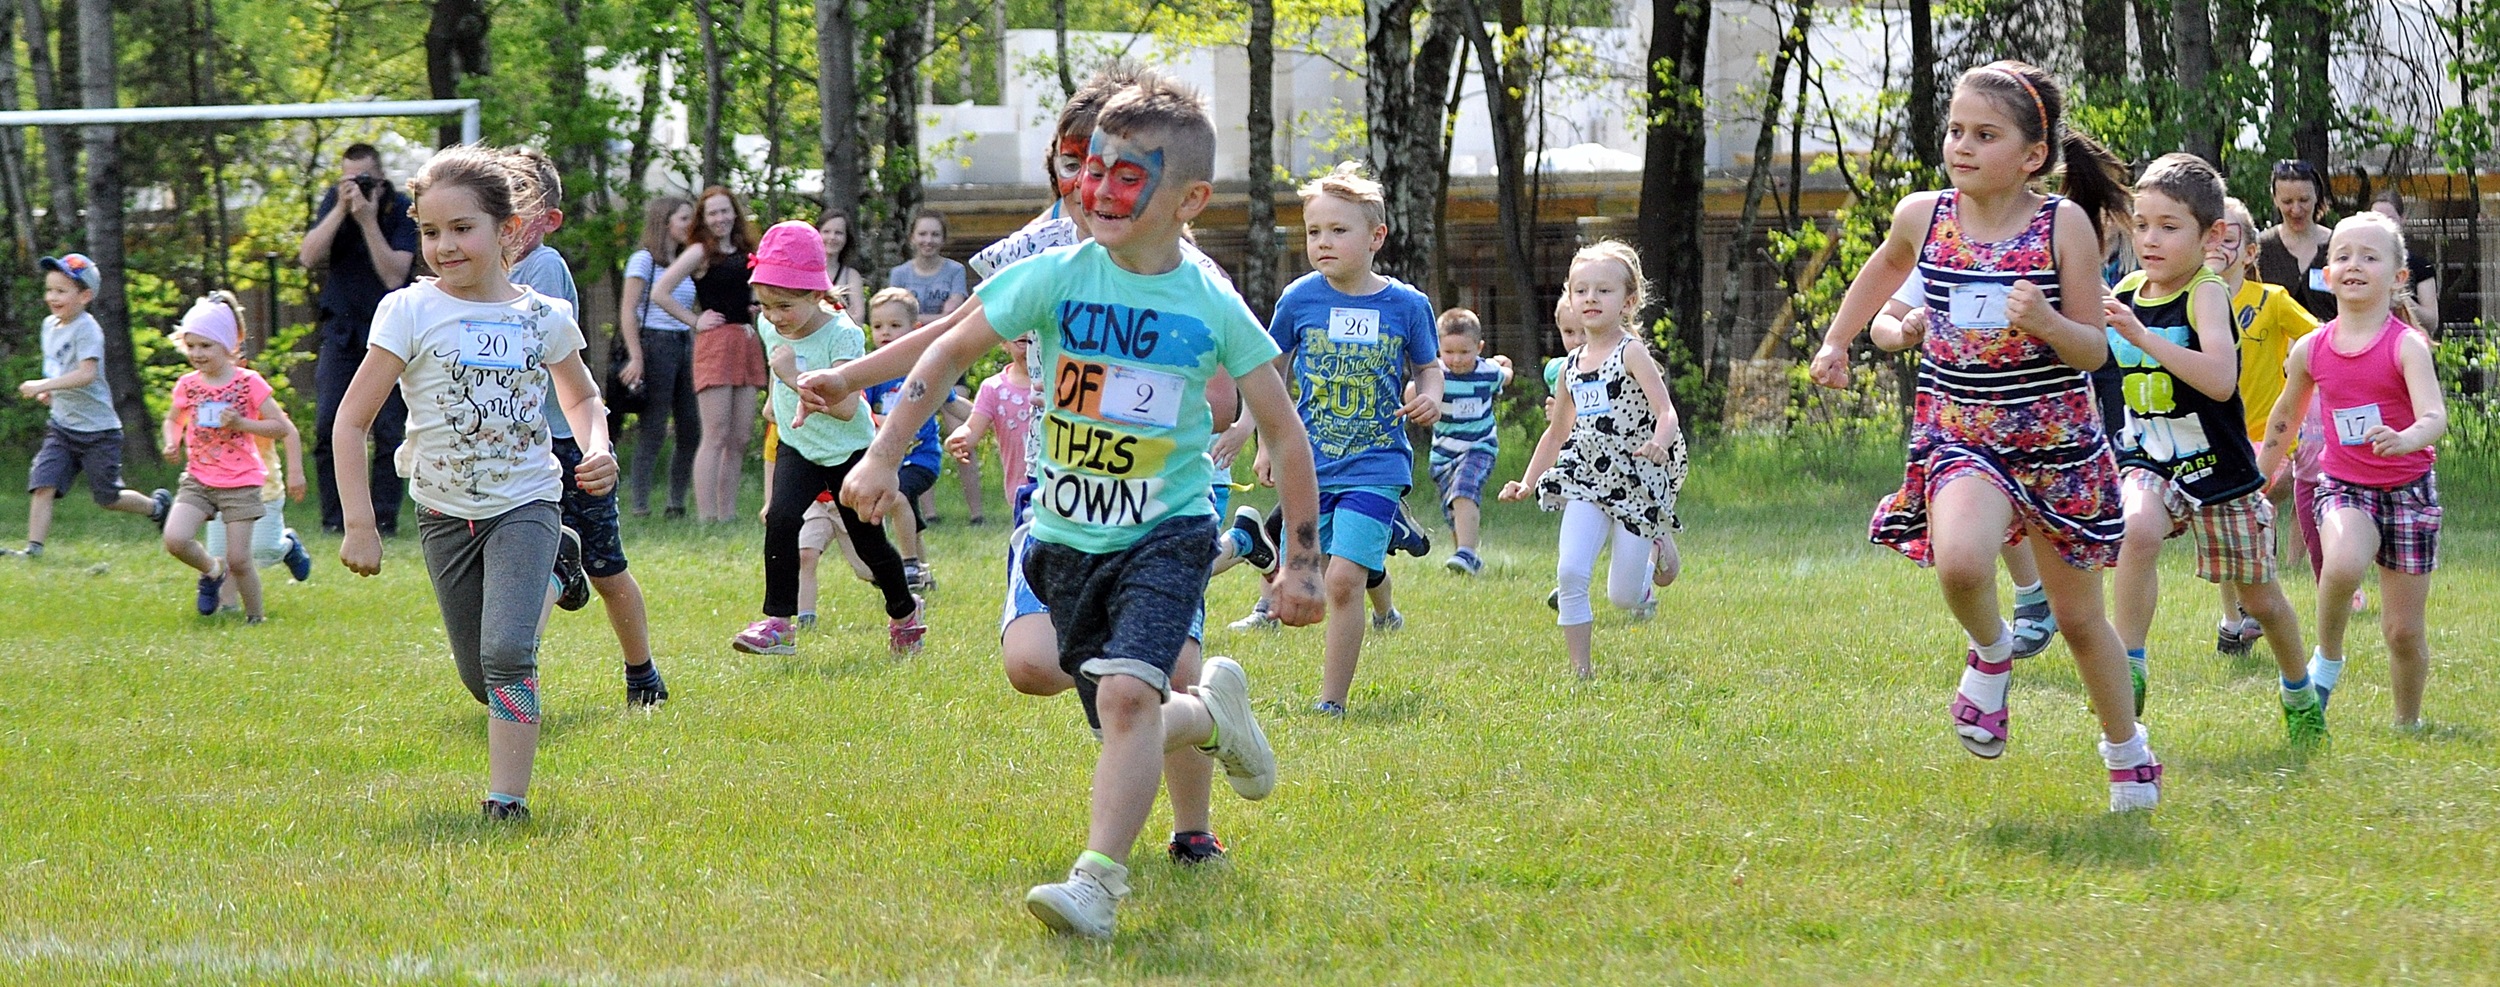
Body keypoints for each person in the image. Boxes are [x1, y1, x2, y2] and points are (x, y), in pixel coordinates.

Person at [833, 73, 1324, 939]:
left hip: (1167, 534)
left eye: (1128, 175)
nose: (1098, 189)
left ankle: (1097, 881)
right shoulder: (1051, 275)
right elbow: (948, 351)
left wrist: (1305, 562)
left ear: (1189, 200)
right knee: (1104, 699)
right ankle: (1213, 714)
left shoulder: (1209, 302)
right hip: (1062, 533)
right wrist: (881, 447)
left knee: (1130, 699)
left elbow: (1283, 433)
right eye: (1091, 168)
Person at [1808, 61, 2162, 812]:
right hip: (1960, 436)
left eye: (1984, 135)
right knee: (1963, 563)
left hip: (2055, 445)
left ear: (2032, 154)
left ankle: (2127, 752)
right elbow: (1885, 267)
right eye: (1955, 131)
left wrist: (2047, 323)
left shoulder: (2061, 223)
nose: (1961, 146)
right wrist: (1839, 340)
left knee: (2077, 618)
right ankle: (1993, 652)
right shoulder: (1923, 214)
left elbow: (2094, 351)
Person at [334, 145, 614, 822]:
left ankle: (506, 802)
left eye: (462, 228)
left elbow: (581, 397)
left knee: (508, 653)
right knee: (479, 677)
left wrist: (597, 445)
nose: (444, 245)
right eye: (430, 232)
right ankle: (557, 575)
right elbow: (351, 421)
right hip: (442, 511)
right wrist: (361, 524)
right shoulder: (407, 311)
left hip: (527, 500)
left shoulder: (541, 315)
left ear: (506, 229)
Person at [2101, 153, 2317, 744]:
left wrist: (2141, 336)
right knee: (2136, 531)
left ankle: (2299, 693)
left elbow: (2220, 379)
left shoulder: (2206, 295)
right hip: (2151, 458)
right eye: (2141, 224)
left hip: (2219, 470)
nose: (2150, 238)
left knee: (2262, 600)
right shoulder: (2123, 292)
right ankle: (2131, 665)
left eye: (2169, 227)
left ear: (2212, 235)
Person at [1258, 162, 1443, 714]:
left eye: (1339, 231)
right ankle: (1386, 546)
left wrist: (1431, 393)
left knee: (1341, 580)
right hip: (1310, 466)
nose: (1323, 243)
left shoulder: (1406, 306)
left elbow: (1428, 366)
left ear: (1376, 237)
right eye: (1314, 232)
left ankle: (1331, 702)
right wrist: (1267, 443)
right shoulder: (1298, 300)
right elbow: (1271, 376)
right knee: (1314, 572)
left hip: (1377, 464)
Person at [2257, 212, 2448, 729]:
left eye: (2369, 256)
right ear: (2327, 272)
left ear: (2398, 277)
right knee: (2341, 565)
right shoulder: (2312, 348)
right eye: (2342, 255)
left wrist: (2406, 438)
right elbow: (2285, 417)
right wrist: (2260, 478)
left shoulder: (2405, 344)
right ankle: (2327, 658)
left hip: (2409, 492)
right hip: (2345, 488)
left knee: (2402, 633)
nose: (2354, 265)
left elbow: (2435, 416)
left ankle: (2407, 723)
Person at [508, 149, 669, 707]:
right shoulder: (483, 275)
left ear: (547, 219)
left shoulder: (544, 268)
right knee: (536, 568)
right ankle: (514, 685)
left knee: (608, 568)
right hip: (519, 450)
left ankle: (642, 672)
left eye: (518, 203)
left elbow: (537, 351)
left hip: (567, 444)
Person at [730, 221, 924, 658]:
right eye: (765, 305)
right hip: (799, 446)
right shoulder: (769, 326)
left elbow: (845, 407)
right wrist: (776, 401)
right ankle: (778, 622)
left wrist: (791, 378)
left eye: (784, 306)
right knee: (781, 520)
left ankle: (905, 612)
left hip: (848, 452)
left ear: (816, 295)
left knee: (867, 543)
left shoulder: (843, 334)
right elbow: (782, 377)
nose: (775, 317)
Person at [1500, 241, 1684, 679]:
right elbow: (1557, 431)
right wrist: (1528, 482)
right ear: (1569, 296)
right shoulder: (1570, 365)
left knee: (1623, 596)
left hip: (1637, 478)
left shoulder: (1632, 353)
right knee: (1570, 572)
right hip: (1586, 476)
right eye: (1581, 290)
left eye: (1603, 291)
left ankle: (1656, 543)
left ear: (1629, 300)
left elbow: (1667, 412)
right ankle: (1581, 673)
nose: (1591, 299)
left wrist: (1659, 442)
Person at [1868, 275, 2061, 660]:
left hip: (2038, 415)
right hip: (1961, 422)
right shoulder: (1941, 250)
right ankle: (2019, 612)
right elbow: (1881, 325)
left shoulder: (2043, 243)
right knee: (1978, 515)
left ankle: (2044, 597)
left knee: (2031, 516)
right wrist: (1904, 331)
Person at [2208, 196, 2324, 648]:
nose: (2218, 247)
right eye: (2211, 237)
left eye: (2229, 237)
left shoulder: (2272, 300)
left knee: (2251, 507)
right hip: (2217, 434)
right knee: (2223, 525)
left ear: (2251, 251)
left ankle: (2254, 608)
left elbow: (2318, 339)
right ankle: (2233, 618)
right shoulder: (2193, 300)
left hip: (2268, 436)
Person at [13, 252, 170, 557]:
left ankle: (156, 506)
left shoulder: (88, 329)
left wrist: (43, 386)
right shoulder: (49, 325)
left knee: (108, 497)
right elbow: (59, 367)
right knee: (43, 484)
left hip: (98, 432)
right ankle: (33, 550)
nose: (52, 297)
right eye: (49, 289)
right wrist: (52, 392)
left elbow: (86, 374)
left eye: (61, 291)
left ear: (84, 296)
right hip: (62, 427)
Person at [158, 295, 303, 624]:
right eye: (191, 345)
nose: (197, 354)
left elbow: (280, 427)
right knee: (175, 538)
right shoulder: (188, 385)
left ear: (227, 346)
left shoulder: (248, 383)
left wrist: (242, 424)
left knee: (240, 559)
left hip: (241, 482)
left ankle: (256, 617)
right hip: (199, 478)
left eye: (206, 346)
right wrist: (172, 441)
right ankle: (212, 570)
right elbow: (173, 419)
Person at [301, 142, 418, 536]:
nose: (355, 186)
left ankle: (383, 518)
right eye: (349, 179)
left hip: (387, 335)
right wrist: (340, 209)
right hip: (341, 332)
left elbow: (392, 276)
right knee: (328, 425)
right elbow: (308, 256)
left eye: (364, 179)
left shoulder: (400, 209)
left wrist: (368, 220)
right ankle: (335, 520)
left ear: (381, 178)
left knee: (388, 430)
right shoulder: (334, 203)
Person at [657, 185, 765, 522]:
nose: (720, 218)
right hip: (715, 343)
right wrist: (694, 319)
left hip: (746, 340)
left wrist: (757, 309)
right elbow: (660, 292)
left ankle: (727, 515)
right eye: (712, 213)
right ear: (704, 219)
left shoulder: (748, 250)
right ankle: (707, 517)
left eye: (725, 211)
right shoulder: (699, 252)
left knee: (740, 436)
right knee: (715, 434)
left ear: (735, 212)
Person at [889, 208, 984, 525]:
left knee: (959, 430)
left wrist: (915, 322)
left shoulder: (955, 270)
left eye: (934, 234)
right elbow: (896, 314)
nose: (928, 240)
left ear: (942, 239)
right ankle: (928, 513)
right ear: (912, 237)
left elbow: (952, 318)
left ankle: (977, 513)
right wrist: (934, 321)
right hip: (911, 359)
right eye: (922, 234)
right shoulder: (900, 274)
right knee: (915, 429)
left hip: (950, 356)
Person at [859, 287, 958, 591]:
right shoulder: (874, 370)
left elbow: (952, 403)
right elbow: (861, 410)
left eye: (894, 325)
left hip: (922, 458)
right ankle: (924, 576)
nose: (885, 332)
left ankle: (909, 565)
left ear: (915, 330)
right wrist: (880, 422)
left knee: (897, 497)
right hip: (889, 459)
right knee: (906, 515)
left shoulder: (927, 368)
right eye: (877, 326)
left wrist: (985, 417)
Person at [617, 195, 702, 518]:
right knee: (652, 426)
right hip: (655, 344)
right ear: (665, 221)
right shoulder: (643, 261)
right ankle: (639, 504)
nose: (690, 226)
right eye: (684, 219)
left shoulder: (685, 261)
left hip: (684, 343)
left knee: (690, 427)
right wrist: (636, 357)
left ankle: (676, 503)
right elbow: (628, 311)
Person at [1428, 307, 1510, 575]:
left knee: (1464, 490)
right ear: (1437, 347)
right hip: (1443, 454)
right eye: (1449, 352)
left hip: (1479, 447)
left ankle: (1466, 552)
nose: (1457, 359)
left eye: (1465, 352)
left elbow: (1504, 375)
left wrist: (1506, 367)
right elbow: (1416, 393)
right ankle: (1465, 557)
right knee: (1453, 509)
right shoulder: (1435, 375)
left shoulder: (1487, 372)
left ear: (1479, 347)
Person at [945, 333, 1037, 498]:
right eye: (1023, 341)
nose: (1033, 349)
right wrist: (960, 438)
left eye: (1041, 341)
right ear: (1004, 342)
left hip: (1062, 484)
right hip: (1021, 490)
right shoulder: (995, 388)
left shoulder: (1063, 382)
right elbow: (972, 428)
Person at [2257, 159, 2336, 322]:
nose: (2296, 209)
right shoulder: (2260, 248)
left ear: (2317, 196)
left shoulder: (2339, 246)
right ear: (2275, 199)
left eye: (2304, 200)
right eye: (2287, 202)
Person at [2369, 191, 2439, 332]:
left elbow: (2432, 322)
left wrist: (2401, 297)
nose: (2382, 226)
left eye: (2389, 220)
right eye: (2375, 220)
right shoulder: (2358, 265)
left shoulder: (2419, 266)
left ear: (2402, 220)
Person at [817, 207, 869, 319]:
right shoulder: (806, 271)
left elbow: (858, 317)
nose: (832, 237)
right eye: (826, 232)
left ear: (847, 238)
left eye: (838, 233)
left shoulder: (851, 276)